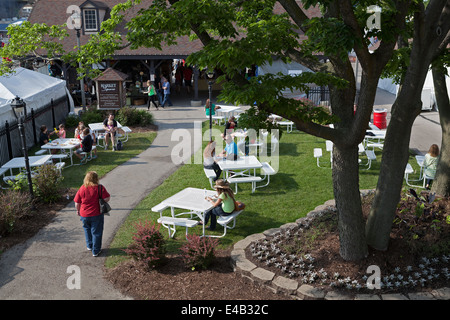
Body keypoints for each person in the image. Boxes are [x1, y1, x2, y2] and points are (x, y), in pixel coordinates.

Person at [74, 171, 110, 257]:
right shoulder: (99, 188)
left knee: (87, 230)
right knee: (96, 232)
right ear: (96, 178)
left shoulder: (82, 188)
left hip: (84, 214)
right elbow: (107, 198)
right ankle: (96, 250)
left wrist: (78, 210)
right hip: (96, 214)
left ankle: (89, 246)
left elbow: (77, 203)